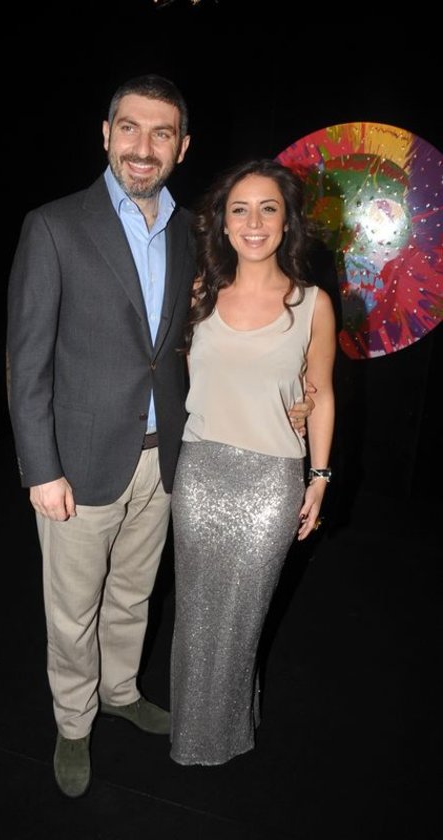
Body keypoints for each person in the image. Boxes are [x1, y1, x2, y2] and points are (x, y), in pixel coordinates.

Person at [7, 77, 313, 798]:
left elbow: (222, 333)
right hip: (78, 462)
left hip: (169, 458)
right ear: (105, 133)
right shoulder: (53, 226)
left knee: (134, 595)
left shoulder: (194, 233)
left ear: (182, 146)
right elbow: (25, 359)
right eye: (130, 129)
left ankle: (119, 691)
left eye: (161, 133)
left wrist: (290, 398)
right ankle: (74, 722)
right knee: (72, 610)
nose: (143, 147)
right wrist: (40, 467)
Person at [169, 158, 336, 766]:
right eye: (240, 209)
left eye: (269, 208)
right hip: (201, 473)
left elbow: (322, 393)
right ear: (224, 222)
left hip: (271, 482)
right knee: (195, 613)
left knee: (244, 616)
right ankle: (195, 730)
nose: (254, 222)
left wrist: (319, 477)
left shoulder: (312, 304)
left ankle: (226, 728)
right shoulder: (200, 293)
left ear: (287, 220)